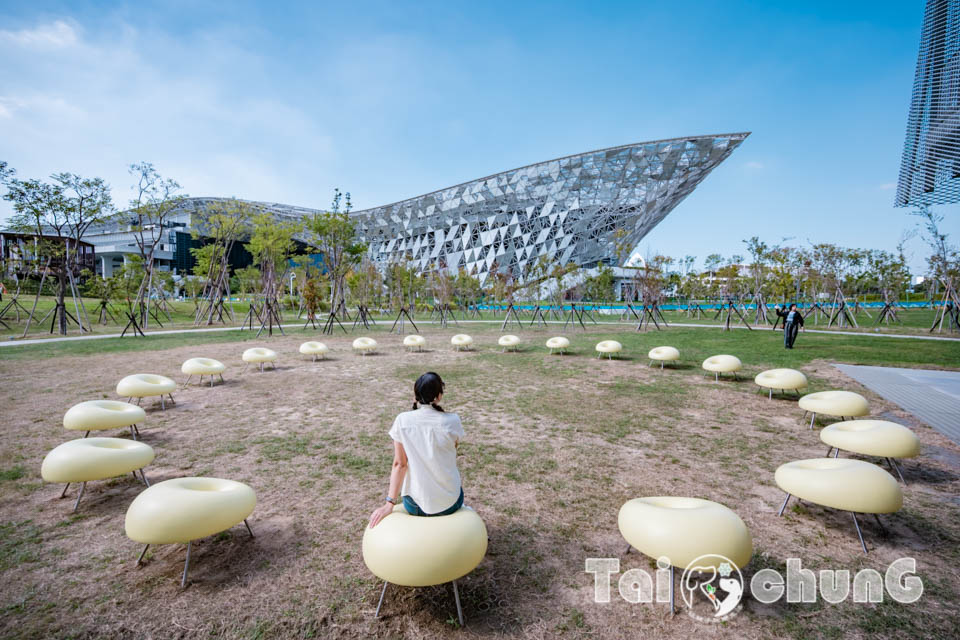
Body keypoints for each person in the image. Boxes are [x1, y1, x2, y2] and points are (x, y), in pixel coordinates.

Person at [368, 372, 465, 528]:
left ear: (416, 396)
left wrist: (389, 503)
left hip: (415, 505)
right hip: (449, 502)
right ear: (439, 396)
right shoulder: (452, 420)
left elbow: (400, 464)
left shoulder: (402, 420)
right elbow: (452, 448)